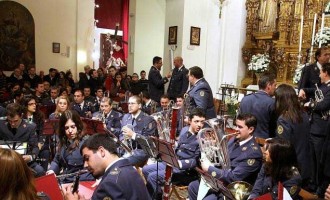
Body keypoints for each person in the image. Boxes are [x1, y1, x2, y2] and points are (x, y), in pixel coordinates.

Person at [188, 113, 263, 200]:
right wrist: (213, 150)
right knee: (193, 187)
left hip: (234, 190)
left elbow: (234, 177)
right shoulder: (234, 140)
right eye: (236, 126)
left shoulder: (253, 153)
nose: (236, 129)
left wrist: (209, 168)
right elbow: (222, 160)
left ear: (250, 129)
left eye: (240, 127)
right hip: (221, 181)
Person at [61, 133, 151, 200]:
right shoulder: (129, 168)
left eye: (87, 158)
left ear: (101, 152)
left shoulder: (110, 183)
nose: (85, 165)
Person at [143, 108, 205, 199]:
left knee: (153, 177)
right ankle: (158, 195)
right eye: (196, 121)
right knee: (145, 169)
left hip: (185, 171)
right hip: (173, 162)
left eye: (202, 122)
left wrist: (179, 163)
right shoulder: (184, 130)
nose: (200, 125)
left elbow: (195, 161)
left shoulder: (202, 139)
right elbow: (179, 148)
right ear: (189, 121)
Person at [274, 84, 312, 190]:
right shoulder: (303, 114)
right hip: (304, 165)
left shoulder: (284, 119)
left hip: (291, 168)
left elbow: (283, 147)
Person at [303, 63, 330, 193]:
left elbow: (323, 105)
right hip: (314, 127)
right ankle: (312, 183)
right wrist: (304, 90)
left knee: (319, 160)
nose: (319, 75)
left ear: (326, 73)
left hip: (321, 129)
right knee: (312, 159)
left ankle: (319, 186)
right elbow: (314, 91)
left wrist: (310, 104)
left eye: (321, 72)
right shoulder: (323, 86)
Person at [46, 110, 94, 183]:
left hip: (81, 182)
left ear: (78, 125)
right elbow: (57, 160)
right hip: (65, 180)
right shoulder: (63, 140)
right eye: (66, 128)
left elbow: (90, 171)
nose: (70, 131)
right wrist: (51, 170)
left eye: (73, 127)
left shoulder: (86, 142)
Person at [0, 103, 45, 177]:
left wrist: (30, 157)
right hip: (4, 160)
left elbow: (35, 147)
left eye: (15, 121)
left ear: (21, 116)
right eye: (10, 121)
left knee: (40, 171)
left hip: (23, 161)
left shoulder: (30, 126)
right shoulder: (1, 123)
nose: (12, 124)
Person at [121, 95, 157, 165]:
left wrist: (133, 135)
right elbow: (121, 133)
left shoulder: (148, 119)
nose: (129, 106)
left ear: (139, 106)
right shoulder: (125, 117)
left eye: (132, 103)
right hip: (126, 149)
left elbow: (149, 141)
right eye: (129, 103)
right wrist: (122, 140)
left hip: (141, 151)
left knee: (123, 163)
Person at [239, 72, 277, 138]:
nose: (275, 88)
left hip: (245, 138)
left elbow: (239, 119)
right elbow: (274, 126)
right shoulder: (272, 102)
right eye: (274, 85)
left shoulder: (245, 99)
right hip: (262, 141)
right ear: (269, 85)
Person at [23, 96, 49, 171]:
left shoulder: (40, 116)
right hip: (26, 142)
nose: (34, 105)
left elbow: (42, 132)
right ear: (25, 106)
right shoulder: (21, 116)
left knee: (45, 151)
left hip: (37, 141)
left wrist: (40, 142)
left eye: (35, 104)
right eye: (31, 104)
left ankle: (44, 173)